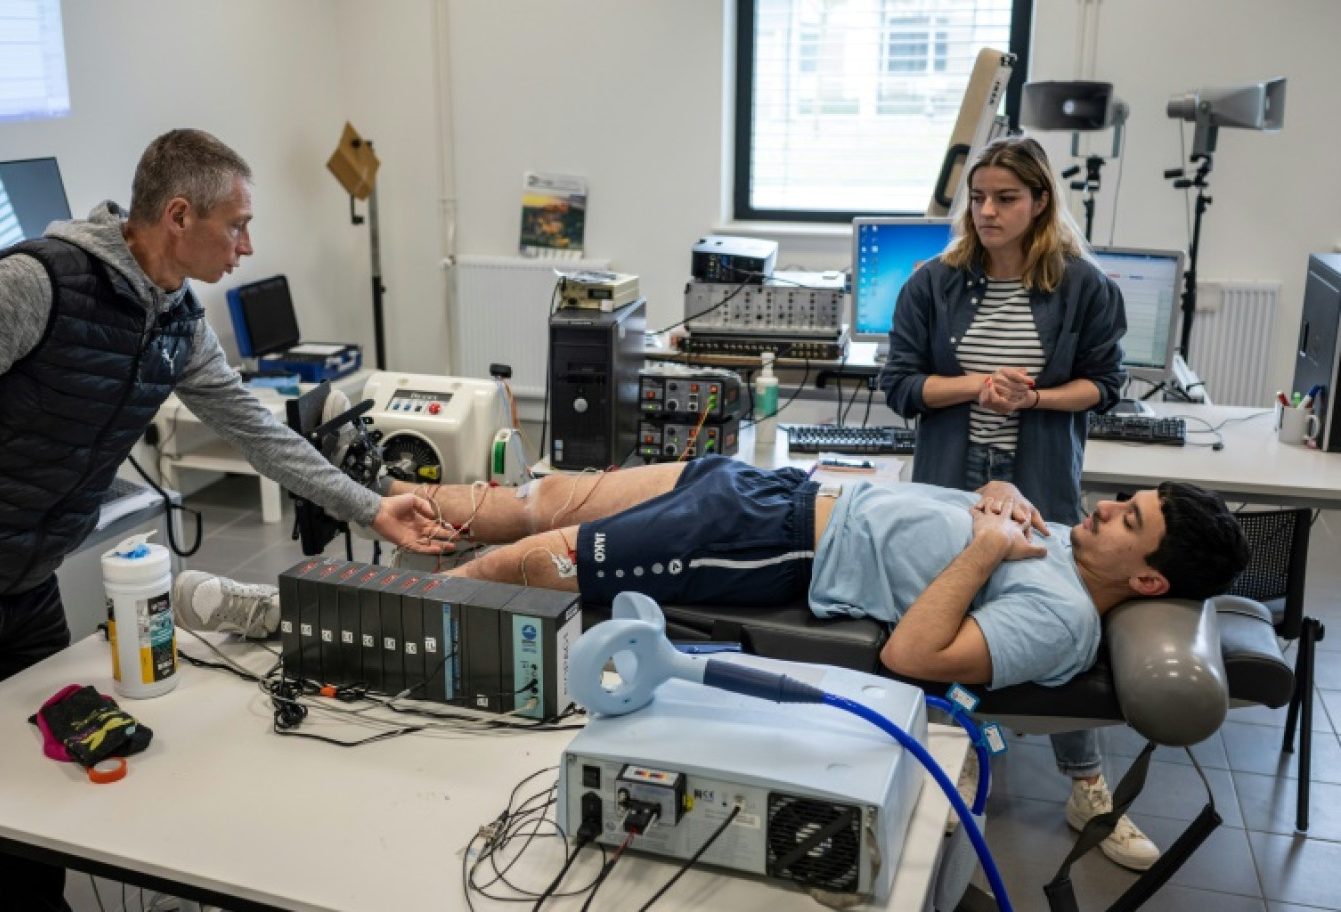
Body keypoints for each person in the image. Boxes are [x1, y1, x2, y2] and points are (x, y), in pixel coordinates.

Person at [0, 129, 440, 911]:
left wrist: (372, 508)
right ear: (180, 217)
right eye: (237, 225)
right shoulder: (34, 285)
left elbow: (259, 433)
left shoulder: (176, 321)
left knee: (32, 793)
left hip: (25, 585)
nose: (247, 246)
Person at [876, 132, 1149, 867]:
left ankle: (1086, 785)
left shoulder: (1084, 287)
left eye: (1005, 198)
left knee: (1059, 624)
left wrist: (1036, 397)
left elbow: (1107, 384)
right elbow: (899, 384)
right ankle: (937, 760)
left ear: (1039, 202)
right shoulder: (934, 282)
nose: (987, 211)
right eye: (978, 197)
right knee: (939, 610)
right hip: (949, 473)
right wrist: (976, 386)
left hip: (1039, 475)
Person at [388, 459, 1247, 689]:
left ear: (1148, 584)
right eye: (1124, 499)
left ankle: (385, 623)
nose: (1104, 510)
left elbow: (914, 655)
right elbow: (968, 515)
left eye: (1128, 521)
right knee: (551, 498)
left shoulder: (1064, 622)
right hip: (780, 491)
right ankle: (387, 509)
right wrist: (992, 494)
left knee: (536, 564)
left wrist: (984, 545)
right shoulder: (1065, 541)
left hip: (778, 542)